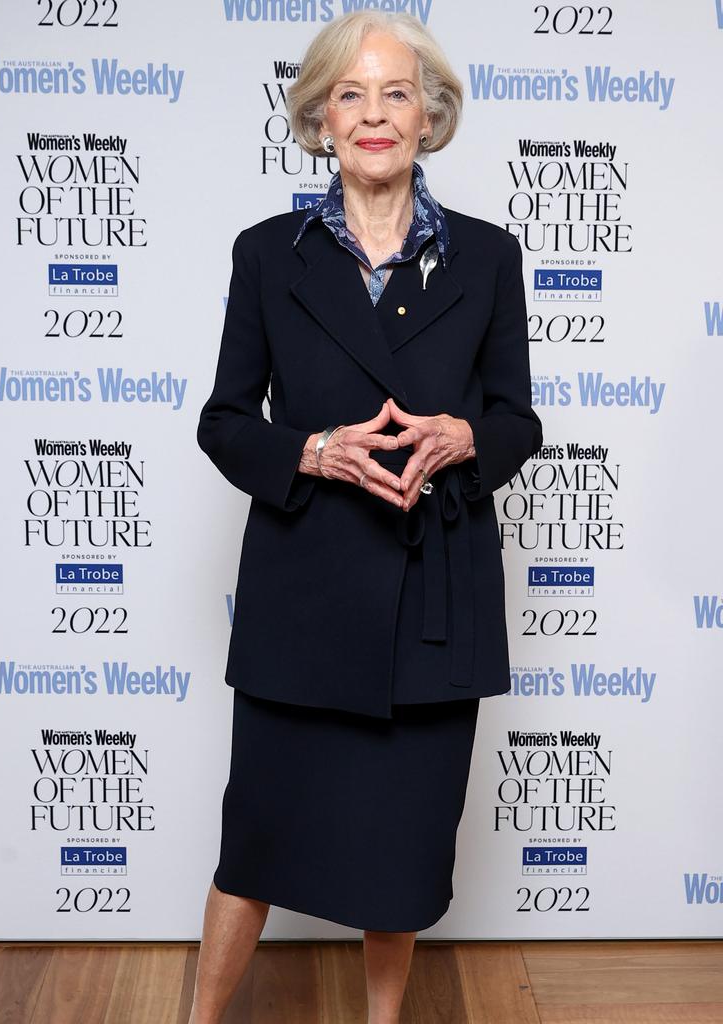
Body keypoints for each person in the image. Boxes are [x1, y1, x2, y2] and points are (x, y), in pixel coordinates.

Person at [189, 11, 542, 1024]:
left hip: (435, 600)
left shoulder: (488, 255)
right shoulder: (267, 255)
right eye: (352, 93)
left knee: (401, 858)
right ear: (318, 120)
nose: (375, 114)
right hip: (304, 597)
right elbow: (224, 423)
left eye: (397, 94)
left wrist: (464, 440)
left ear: (430, 119)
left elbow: (518, 418)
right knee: (252, 845)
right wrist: (313, 450)